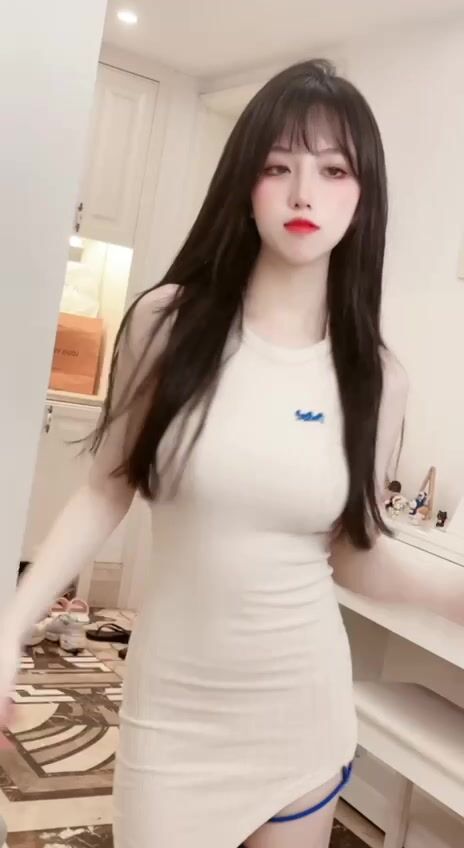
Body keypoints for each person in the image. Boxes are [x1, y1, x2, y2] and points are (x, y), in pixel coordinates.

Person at [0, 59, 463, 848]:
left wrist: (457, 597)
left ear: (364, 195)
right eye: (278, 166)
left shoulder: (376, 377)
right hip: (172, 717)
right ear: (244, 184)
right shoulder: (166, 324)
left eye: (333, 169)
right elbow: (107, 489)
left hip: (300, 718)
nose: (303, 193)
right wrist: (13, 622)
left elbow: (355, 558)